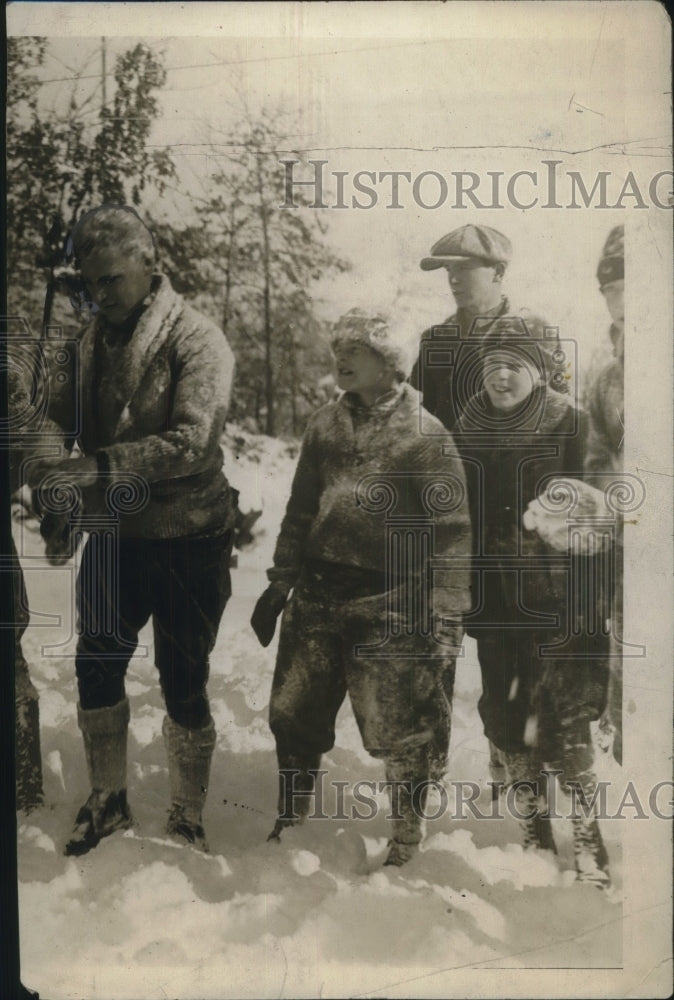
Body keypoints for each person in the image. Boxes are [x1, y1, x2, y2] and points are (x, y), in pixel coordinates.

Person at [29, 205, 237, 855]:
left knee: (182, 672)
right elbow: (50, 418)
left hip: (188, 533)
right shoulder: (86, 344)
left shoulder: (197, 338)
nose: (102, 294)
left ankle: (186, 813)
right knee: (97, 660)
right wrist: (50, 479)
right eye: (91, 283)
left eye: (114, 279)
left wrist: (94, 466)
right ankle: (108, 798)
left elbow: (191, 441)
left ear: (150, 264)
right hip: (116, 532)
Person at [250, 309, 472, 866]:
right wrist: (281, 582)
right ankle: (292, 817)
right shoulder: (323, 424)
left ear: (391, 362)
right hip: (319, 595)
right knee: (293, 712)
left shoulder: (428, 435)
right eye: (338, 348)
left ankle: (405, 837)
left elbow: (451, 532)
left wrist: (445, 613)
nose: (341, 359)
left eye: (358, 350)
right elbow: (301, 509)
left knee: (400, 726)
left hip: (392, 602)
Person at [453, 324, 612, 887]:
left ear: (541, 370)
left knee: (564, 720)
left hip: (560, 600)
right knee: (504, 712)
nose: (500, 375)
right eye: (492, 363)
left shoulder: (573, 424)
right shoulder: (466, 429)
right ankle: (533, 828)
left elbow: (602, 511)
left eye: (514, 365)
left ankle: (589, 838)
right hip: (495, 599)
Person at [411, 224, 567, 431]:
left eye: (464, 268)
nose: (453, 279)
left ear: (499, 272)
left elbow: (561, 412)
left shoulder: (533, 334)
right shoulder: (435, 339)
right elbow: (418, 415)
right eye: (449, 269)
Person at [584, 225, 624, 764]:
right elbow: (595, 455)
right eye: (611, 297)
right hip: (629, 553)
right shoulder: (608, 379)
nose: (620, 308)